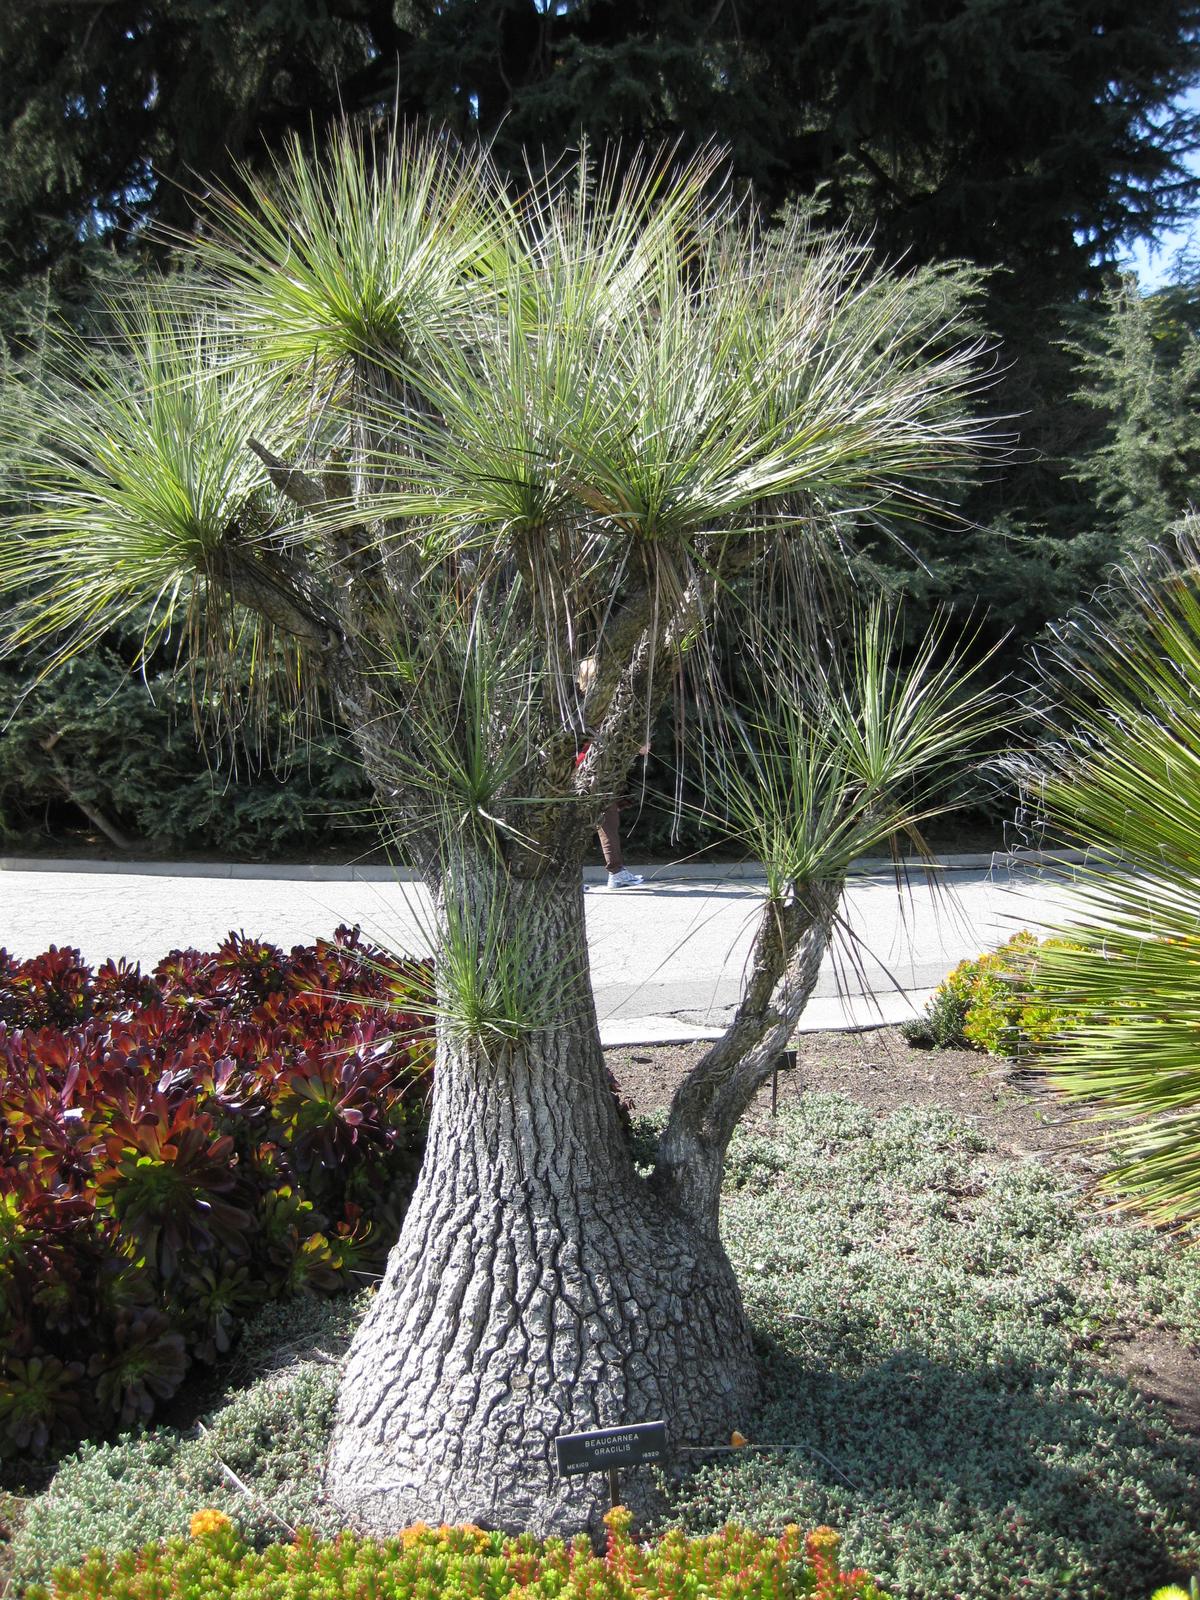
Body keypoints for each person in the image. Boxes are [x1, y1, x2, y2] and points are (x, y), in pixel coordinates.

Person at [575, 657, 646, 889]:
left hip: (582, 767)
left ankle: (614, 871)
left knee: (600, 821)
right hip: (594, 768)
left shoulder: (582, 703)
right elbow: (611, 733)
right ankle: (613, 872)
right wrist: (636, 743)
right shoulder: (601, 704)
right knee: (597, 821)